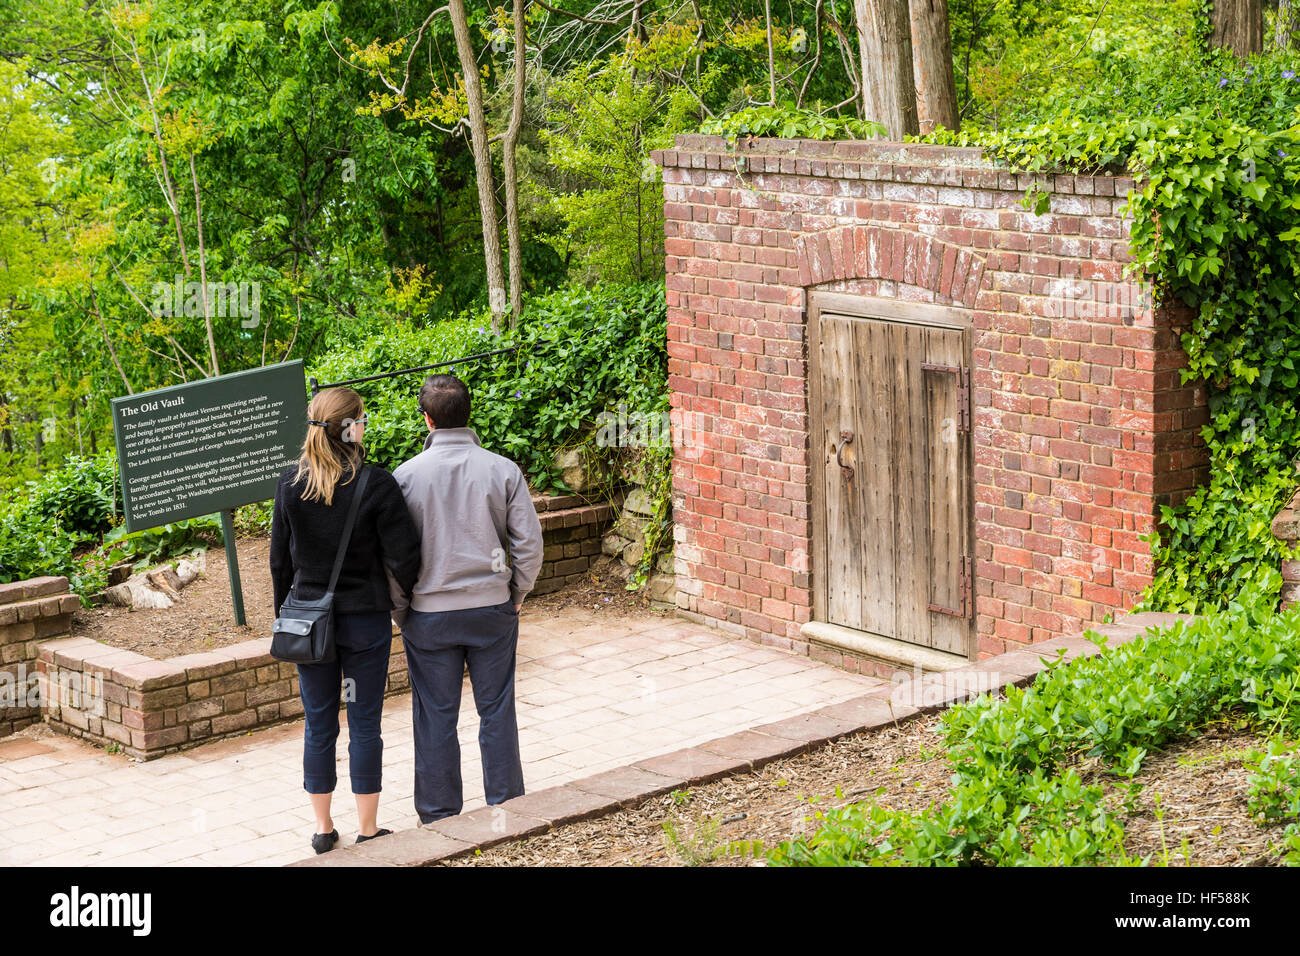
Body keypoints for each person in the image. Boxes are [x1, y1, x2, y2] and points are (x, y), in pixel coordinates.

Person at [270, 387, 421, 854]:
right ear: (352, 427)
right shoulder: (376, 483)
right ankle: (369, 827)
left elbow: (280, 563)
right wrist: (407, 598)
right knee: (365, 722)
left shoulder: (289, 485)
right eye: (363, 419)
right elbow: (405, 557)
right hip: (364, 622)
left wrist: (287, 616)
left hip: (310, 628)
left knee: (318, 724)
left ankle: (321, 827)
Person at [392, 373, 543, 823]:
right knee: (496, 709)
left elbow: (393, 559)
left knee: (435, 717)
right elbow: (528, 546)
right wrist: (516, 593)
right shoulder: (502, 470)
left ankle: (439, 816)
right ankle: (508, 804)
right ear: (469, 413)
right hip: (491, 609)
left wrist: (402, 610)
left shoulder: (405, 478)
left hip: (429, 615)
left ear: (427, 419)